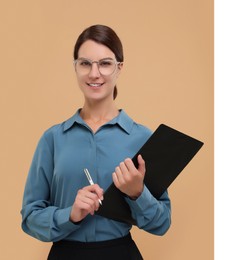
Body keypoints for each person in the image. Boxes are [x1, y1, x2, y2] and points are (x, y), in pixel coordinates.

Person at [20, 24, 171, 260]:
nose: (94, 73)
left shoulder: (142, 138)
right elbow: (30, 217)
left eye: (105, 63)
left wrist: (137, 194)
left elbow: (162, 223)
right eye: (85, 63)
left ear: (119, 68)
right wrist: (70, 214)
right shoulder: (52, 139)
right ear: (76, 68)